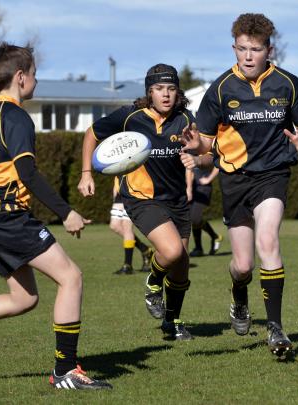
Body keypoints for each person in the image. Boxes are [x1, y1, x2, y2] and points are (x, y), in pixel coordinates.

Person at [0, 43, 112, 390]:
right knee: (71, 278)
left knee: (24, 299)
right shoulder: (16, 116)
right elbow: (27, 172)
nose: (36, 81)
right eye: (34, 74)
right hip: (6, 216)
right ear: (20, 77)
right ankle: (65, 370)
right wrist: (66, 212)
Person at [180, 13, 298, 358]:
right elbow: (207, 147)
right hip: (235, 179)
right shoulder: (221, 89)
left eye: (255, 49)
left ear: (269, 50)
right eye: (242, 49)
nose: (248, 56)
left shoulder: (288, 83)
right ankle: (239, 294)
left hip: (273, 174)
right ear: (234, 48)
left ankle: (275, 329)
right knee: (243, 266)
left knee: (268, 241)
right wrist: (195, 145)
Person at [78, 64, 195, 340]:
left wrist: (197, 158)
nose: (165, 95)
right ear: (149, 92)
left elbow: (203, 151)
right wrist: (86, 173)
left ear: (177, 91)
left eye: (170, 89)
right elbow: (92, 134)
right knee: (172, 251)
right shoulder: (131, 116)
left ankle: (172, 322)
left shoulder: (187, 119)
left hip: (177, 201)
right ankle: (153, 282)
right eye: (158, 89)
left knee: (180, 270)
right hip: (142, 199)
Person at [110, 177, 154, 274]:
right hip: (119, 192)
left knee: (127, 227)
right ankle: (145, 250)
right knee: (114, 226)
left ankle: (128, 265)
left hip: (132, 191)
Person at [185, 160, 222, 257]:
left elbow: (219, 162)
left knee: (195, 218)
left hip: (203, 188)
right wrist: (188, 187)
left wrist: (209, 179)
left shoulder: (208, 148)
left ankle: (214, 236)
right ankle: (199, 248)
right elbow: (189, 169)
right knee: (192, 218)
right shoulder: (187, 148)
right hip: (193, 188)